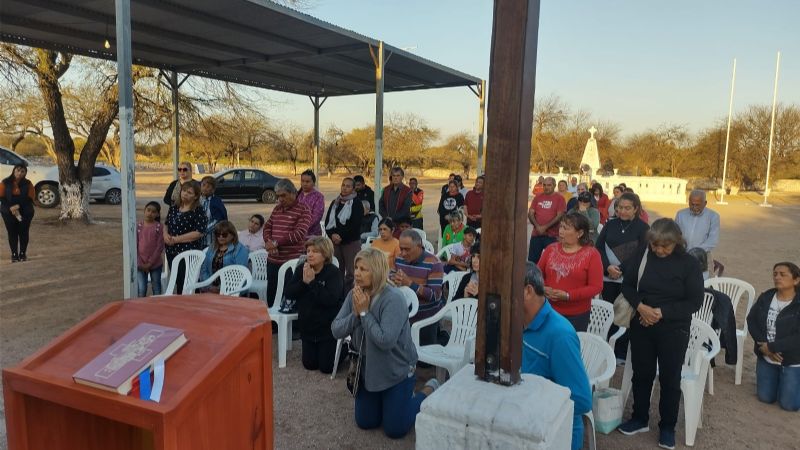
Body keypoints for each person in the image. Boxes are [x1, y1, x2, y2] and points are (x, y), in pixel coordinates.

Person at [331, 247, 440, 439]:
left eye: (364, 269)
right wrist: (356, 315)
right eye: (356, 267)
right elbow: (336, 329)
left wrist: (365, 313)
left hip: (395, 370)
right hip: (367, 371)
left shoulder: (393, 298)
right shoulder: (354, 295)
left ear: (378, 270)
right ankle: (388, 402)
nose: (357, 273)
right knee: (366, 422)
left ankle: (427, 390)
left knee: (395, 430)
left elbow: (385, 341)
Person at [617, 219, 703, 450]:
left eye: (664, 246)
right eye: (655, 245)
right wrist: (641, 307)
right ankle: (639, 418)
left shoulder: (689, 264)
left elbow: (695, 301)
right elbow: (627, 286)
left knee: (670, 379)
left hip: (674, 329)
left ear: (677, 242)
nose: (659, 250)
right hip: (642, 323)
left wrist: (662, 313)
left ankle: (667, 427)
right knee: (642, 373)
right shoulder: (644, 255)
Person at [521, 263, 592, 450]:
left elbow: (582, 399)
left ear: (528, 291)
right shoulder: (518, 321)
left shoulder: (560, 335)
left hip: (555, 436)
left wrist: (529, 403)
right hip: (527, 427)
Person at [595, 192, 650, 358]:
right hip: (608, 277)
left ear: (636, 209)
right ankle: (608, 348)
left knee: (625, 314)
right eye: (619, 207)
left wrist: (620, 269)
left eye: (627, 208)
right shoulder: (610, 225)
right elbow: (598, 247)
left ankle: (621, 351)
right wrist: (608, 268)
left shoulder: (643, 228)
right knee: (610, 312)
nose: (623, 211)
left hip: (628, 280)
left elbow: (641, 254)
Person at [285, 236, 344, 374]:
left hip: (327, 329)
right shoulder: (302, 269)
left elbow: (331, 300)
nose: (310, 254)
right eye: (308, 250)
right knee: (310, 364)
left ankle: (345, 349)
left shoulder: (333, 273)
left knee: (326, 367)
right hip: (308, 328)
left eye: (315, 251)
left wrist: (312, 283)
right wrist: (304, 282)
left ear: (325, 254)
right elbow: (289, 293)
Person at [746, 262, 800, 412]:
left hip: (792, 360)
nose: (777, 277)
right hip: (766, 356)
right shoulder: (766, 297)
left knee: (789, 405)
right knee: (765, 397)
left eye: (783, 275)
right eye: (775, 274)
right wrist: (764, 346)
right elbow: (751, 320)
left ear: (796, 280)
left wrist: (772, 347)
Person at [537, 213, 603, 331]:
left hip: (576, 315)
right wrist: (542, 288)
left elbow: (596, 287)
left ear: (580, 233)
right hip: (548, 309)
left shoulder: (591, 254)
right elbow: (537, 274)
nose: (561, 231)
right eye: (561, 227)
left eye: (566, 228)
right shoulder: (551, 249)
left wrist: (568, 295)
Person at [263, 178, 312, 307]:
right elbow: (267, 227)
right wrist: (269, 242)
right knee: (272, 297)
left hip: (291, 263)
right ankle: (272, 326)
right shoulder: (277, 209)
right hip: (273, 261)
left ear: (293, 193)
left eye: (283, 195)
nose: (280, 199)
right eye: (278, 196)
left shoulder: (304, 210)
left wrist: (276, 243)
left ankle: (289, 328)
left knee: (289, 299)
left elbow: (299, 233)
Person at [392, 229, 444, 346]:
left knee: (424, 362)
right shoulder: (399, 259)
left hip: (426, 318)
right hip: (403, 315)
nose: (403, 253)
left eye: (407, 249)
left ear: (419, 246)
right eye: (401, 249)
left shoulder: (434, 263)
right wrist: (393, 280)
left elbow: (434, 296)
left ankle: (441, 337)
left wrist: (410, 284)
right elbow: (391, 277)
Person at [163, 181, 208, 294]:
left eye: (189, 192)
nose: (185, 194)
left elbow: (199, 233)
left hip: (188, 252)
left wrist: (177, 239)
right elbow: (166, 224)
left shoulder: (198, 211)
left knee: (187, 282)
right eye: (184, 191)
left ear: (196, 196)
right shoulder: (174, 208)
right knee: (178, 280)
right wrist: (165, 235)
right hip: (171, 250)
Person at [324, 177, 363, 291]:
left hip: (350, 242)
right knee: (336, 270)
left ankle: (349, 296)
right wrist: (332, 235)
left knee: (352, 272)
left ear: (353, 188)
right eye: (343, 185)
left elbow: (355, 224)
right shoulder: (335, 202)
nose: (345, 188)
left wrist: (340, 236)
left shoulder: (356, 203)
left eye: (348, 186)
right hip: (336, 243)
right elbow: (327, 223)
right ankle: (337, 295)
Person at [674, 190, 720, 271]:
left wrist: (695, 252)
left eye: (697, 205)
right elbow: (675, 235)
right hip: (682, 255)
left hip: (702, 257)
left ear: (705, 203)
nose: (694, 207)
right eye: (692, 204)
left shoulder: (713, 216)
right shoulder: (680, 214)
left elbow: (712, 240)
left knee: (702, 281)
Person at [199, 221, 249, 293]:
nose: (220, 237)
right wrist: (209, 286)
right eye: (218, 234)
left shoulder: (240, 250)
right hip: (210, 288)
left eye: (224, 234)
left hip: (232, 289)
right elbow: (204, 269)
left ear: (233, 235)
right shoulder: (212, 247)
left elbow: (239, 274)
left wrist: (221, 288)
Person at [0, 164, 35, 262]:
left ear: (25, 173)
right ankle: (14, 254)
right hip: (8, 211)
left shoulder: (28, 183)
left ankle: (23, 254)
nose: (20, 173)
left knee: (23, 232)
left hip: (25, 210)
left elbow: (30, 197)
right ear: (14, 170)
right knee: (12, 233)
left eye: (22, 171)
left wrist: (18, 206)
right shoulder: (5, 182)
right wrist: (10, 207)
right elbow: (1, 196)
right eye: (18, 170)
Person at [527, 176, 566, 263]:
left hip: (552, 236)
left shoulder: (560, 198)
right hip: (536, 235)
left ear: (554, 186)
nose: (546, 187)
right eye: (544, 185)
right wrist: (538, 227)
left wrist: (545, 227)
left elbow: (559, 216)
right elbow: (530, 213)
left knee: (553, 262)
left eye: (549, 185)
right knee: (532, 262)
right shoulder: (537, 197)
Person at [136, 201, 165, 296]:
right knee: (141, 289)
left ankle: (156, 307)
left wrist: (150, 263)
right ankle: (141, 308)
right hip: (140, 265)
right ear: (144, 211)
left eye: (153, 212)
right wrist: (141, 263)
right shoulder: (138, 227)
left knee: (156, 287)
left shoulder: (159, 227)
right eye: (148, 210)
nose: (150, 213)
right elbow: (135, 246)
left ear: (157, 214)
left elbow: (159, 247)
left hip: (155, 264)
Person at [380, 167, 412, 238]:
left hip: (402, 226)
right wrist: (386, 217)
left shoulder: (408, 191)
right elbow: (381, 205)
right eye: (394, 175)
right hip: (388, 224)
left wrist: (392, 218)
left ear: (402, 177)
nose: (395, 178)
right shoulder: (386, 189)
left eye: (398, 175)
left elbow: (405, 209)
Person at [200, 176, 228, 247]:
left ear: (213, 189)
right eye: (203, 185)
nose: (205, 188)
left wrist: (202, 231)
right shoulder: (197, 200)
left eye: (208, 186)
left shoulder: (216, 201)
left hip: (211, 241)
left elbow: (218, 221)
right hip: (197, 241)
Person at [297, 169, 325, 237]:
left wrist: (301, 228)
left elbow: (316, 217)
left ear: (313, 182)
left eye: (307, 181)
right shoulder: (297, 195)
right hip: (297, 235)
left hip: (312, 235)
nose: (304, 184)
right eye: (302, 181)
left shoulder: (318, 197)